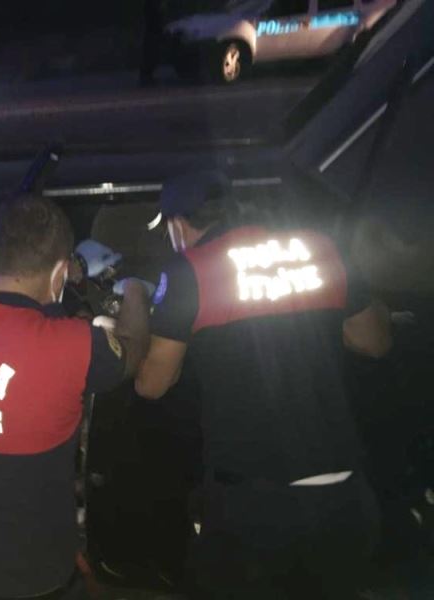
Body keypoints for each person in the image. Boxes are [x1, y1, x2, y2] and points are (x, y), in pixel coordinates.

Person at [135, 171, 392, 599]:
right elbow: (375, 341)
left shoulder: (190, 270)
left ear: (177, 224)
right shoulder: (320, 247)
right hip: (343, 491)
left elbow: (152, 384)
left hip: (252, 504)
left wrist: (141, 313)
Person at [0, 195, 152, 599]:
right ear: (59, 274)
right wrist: (135, 288)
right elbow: (132, 350)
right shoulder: (73, 346)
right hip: (29, 583)